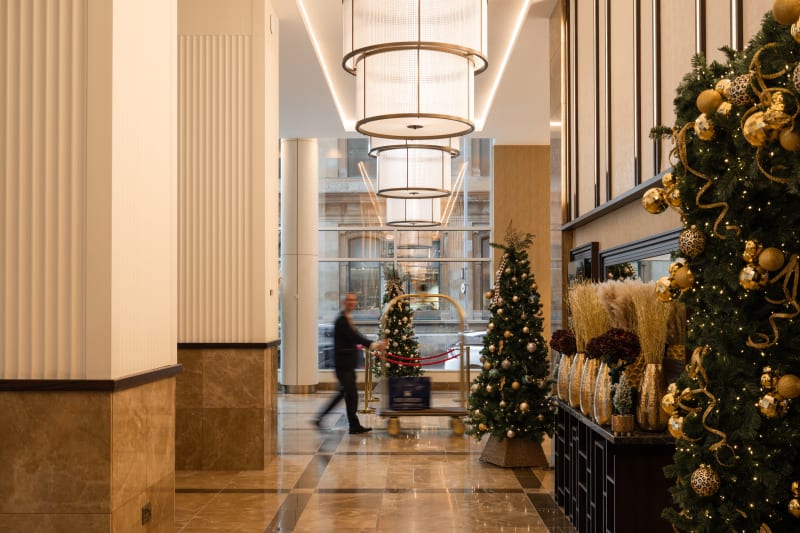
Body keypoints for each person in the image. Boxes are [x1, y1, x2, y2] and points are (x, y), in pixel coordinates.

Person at [314, 292, 385, 434]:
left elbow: (356, 335)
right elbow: (354, 337)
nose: (352, 303)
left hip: (347, 364)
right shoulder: (341, 319)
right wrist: (373, 344)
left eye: (354, 300)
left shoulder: (346, 318)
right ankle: (353, 425)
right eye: (349, 300)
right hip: (343, 364)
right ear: (344, 302)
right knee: (351, 394)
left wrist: (372, 343)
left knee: (344, 393)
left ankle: (320, 418)